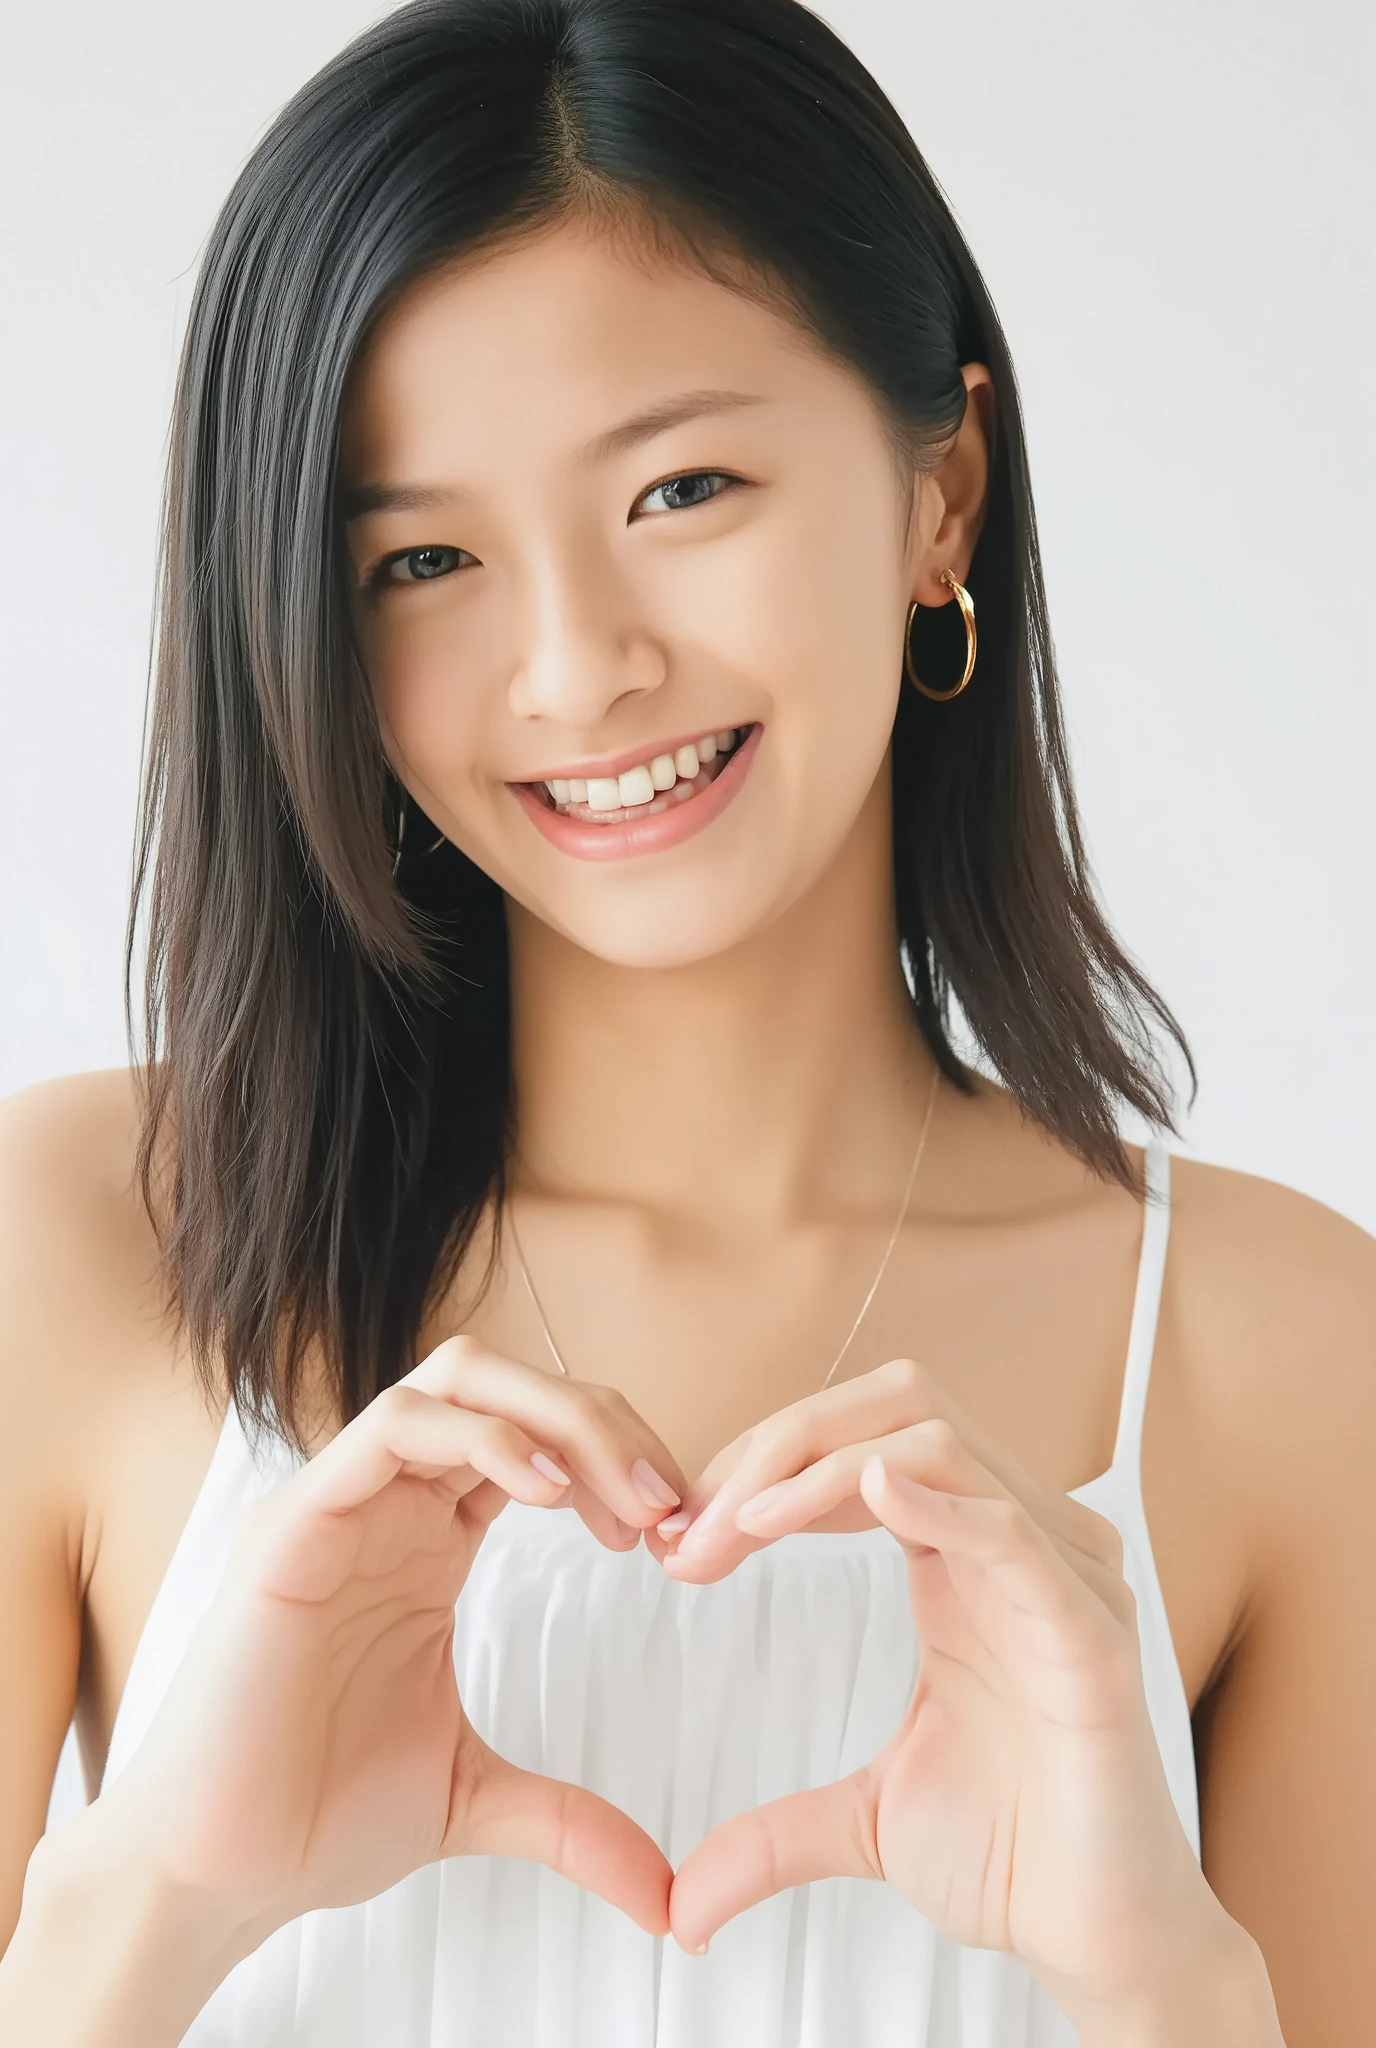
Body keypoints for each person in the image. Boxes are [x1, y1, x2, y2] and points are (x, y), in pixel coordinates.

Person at [0, 0, 1370, 2041]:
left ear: (941, 495)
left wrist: (1160, 1975)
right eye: (427, 557)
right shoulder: (81, 1246)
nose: (576, 669)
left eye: (682, 488)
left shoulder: (1285, 1352)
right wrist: (164, 1895)